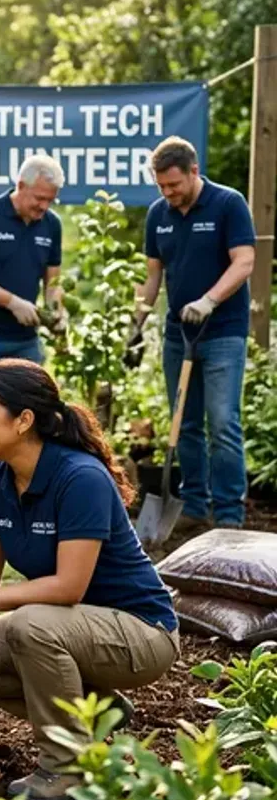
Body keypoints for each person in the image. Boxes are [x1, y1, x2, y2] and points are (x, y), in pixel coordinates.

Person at [0, 360, 179, 800]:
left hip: (141, 632)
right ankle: (99, 713)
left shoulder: (79, 478)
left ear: (23, 420)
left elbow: (70, 586)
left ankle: (66, 768)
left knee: (29, 625)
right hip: (74, 628)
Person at [134, 136, 255, 530]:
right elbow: (153, 277)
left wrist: (209, 301)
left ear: (193, 172)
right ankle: (194, 504)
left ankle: (229, 515)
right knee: (183, 422)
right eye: (161, 186)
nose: (168, 193)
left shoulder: (228, 204)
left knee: (222, 422)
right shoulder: (158, 214)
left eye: (174, 185)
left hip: (222, 332)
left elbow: (244, 262)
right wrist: (135, 322)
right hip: (178, 334)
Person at [0, 155, 65, 363]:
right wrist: (12, 302)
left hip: (26, 340)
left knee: (32, 394)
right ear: (21, 185)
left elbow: (53, 283)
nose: (44, 206)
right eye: (39, 198)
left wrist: (57, 313)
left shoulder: (52, 224)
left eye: (50, 200)